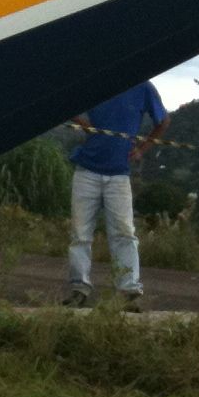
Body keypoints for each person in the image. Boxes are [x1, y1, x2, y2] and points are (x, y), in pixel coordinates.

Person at [62, 80, 169, 310]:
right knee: (80, 233)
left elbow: (163, 121)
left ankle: (128, 291)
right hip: (87, 169)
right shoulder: (103, 78)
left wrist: (142, 149)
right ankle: (79, 289)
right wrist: (85, 126)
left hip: (119, 174)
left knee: (124, 232)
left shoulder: (144, 88)